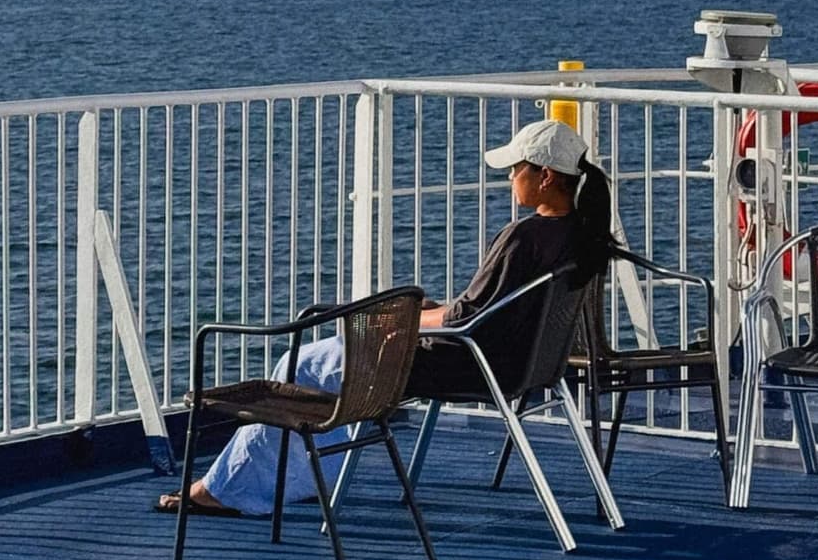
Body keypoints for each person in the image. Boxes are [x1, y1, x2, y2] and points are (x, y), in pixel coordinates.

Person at [156, 118, 614, 516]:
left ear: (546, 177)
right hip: (520, 364)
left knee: (304, 363)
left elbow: (466, 317)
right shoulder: (581, 236)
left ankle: (235, 488)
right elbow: (488, 309)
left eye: (517, 168)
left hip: (468, 362)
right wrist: (430, 313)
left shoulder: (525, 237)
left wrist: (408, 321)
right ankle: (285, 480)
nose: (510, 176)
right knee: (320, 360)